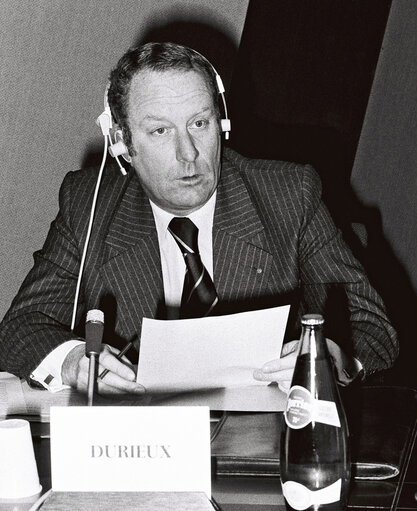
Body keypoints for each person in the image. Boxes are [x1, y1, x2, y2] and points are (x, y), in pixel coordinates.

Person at [0, 42, 398, 396]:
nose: (188, 153)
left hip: (271, 436)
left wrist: (329, 358)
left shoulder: (290, 193)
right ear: (122, 143)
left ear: (222, 122)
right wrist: (72, 362)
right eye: (159, 131)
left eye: (199, 123)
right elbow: (20, 327)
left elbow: (372, 328)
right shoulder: (88, 203)